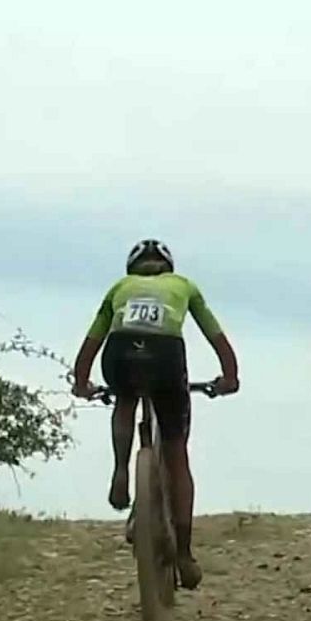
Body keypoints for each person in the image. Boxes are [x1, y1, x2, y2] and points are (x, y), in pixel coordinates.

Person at [71, 239, 240, 589]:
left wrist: (82, 382)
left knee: (125, 400)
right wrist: (230, 376)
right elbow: (215, 334)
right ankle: (184, 552)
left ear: (134, 269)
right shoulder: (183, 286)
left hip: (120, 353)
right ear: (168, 267)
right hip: (165, 358)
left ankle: (120, 471)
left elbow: (92, 340)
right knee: (176, 453)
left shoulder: (120, 287)